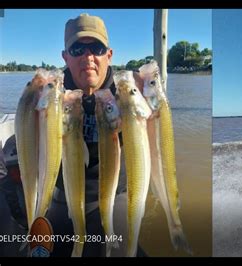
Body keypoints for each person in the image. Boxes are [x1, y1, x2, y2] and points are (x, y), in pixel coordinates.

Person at [3, 13, 146, 257]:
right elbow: (26, 137)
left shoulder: (126, 93)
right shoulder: (53, 93)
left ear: (108, 55)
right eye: (78, 48)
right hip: (62, 193)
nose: (88, 57)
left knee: (118, 247)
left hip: (115, 196)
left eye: (97, 48)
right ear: (65, 56)